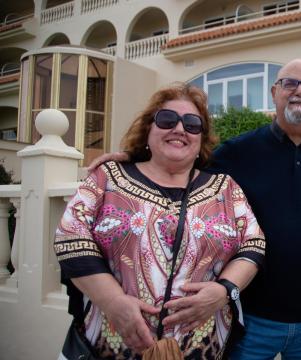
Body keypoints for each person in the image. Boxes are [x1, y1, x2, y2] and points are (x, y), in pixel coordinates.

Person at [87, 59, 301, 359]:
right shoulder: (237, 152)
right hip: (251, 319)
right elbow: (180, 160)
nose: (300, 90)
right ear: (274, 92)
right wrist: (132, 159)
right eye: (289, 83)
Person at [54, 83, 266, 359]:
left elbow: (254, 243)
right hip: (106, 346)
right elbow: (71, 237)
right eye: (167, 120)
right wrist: (113, 302)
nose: (179, 129)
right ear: (148, 130)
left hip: (202, 349)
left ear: (201, 138)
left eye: (192, 124)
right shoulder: (107, 177)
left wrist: (224, 291)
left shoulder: (225, 188)